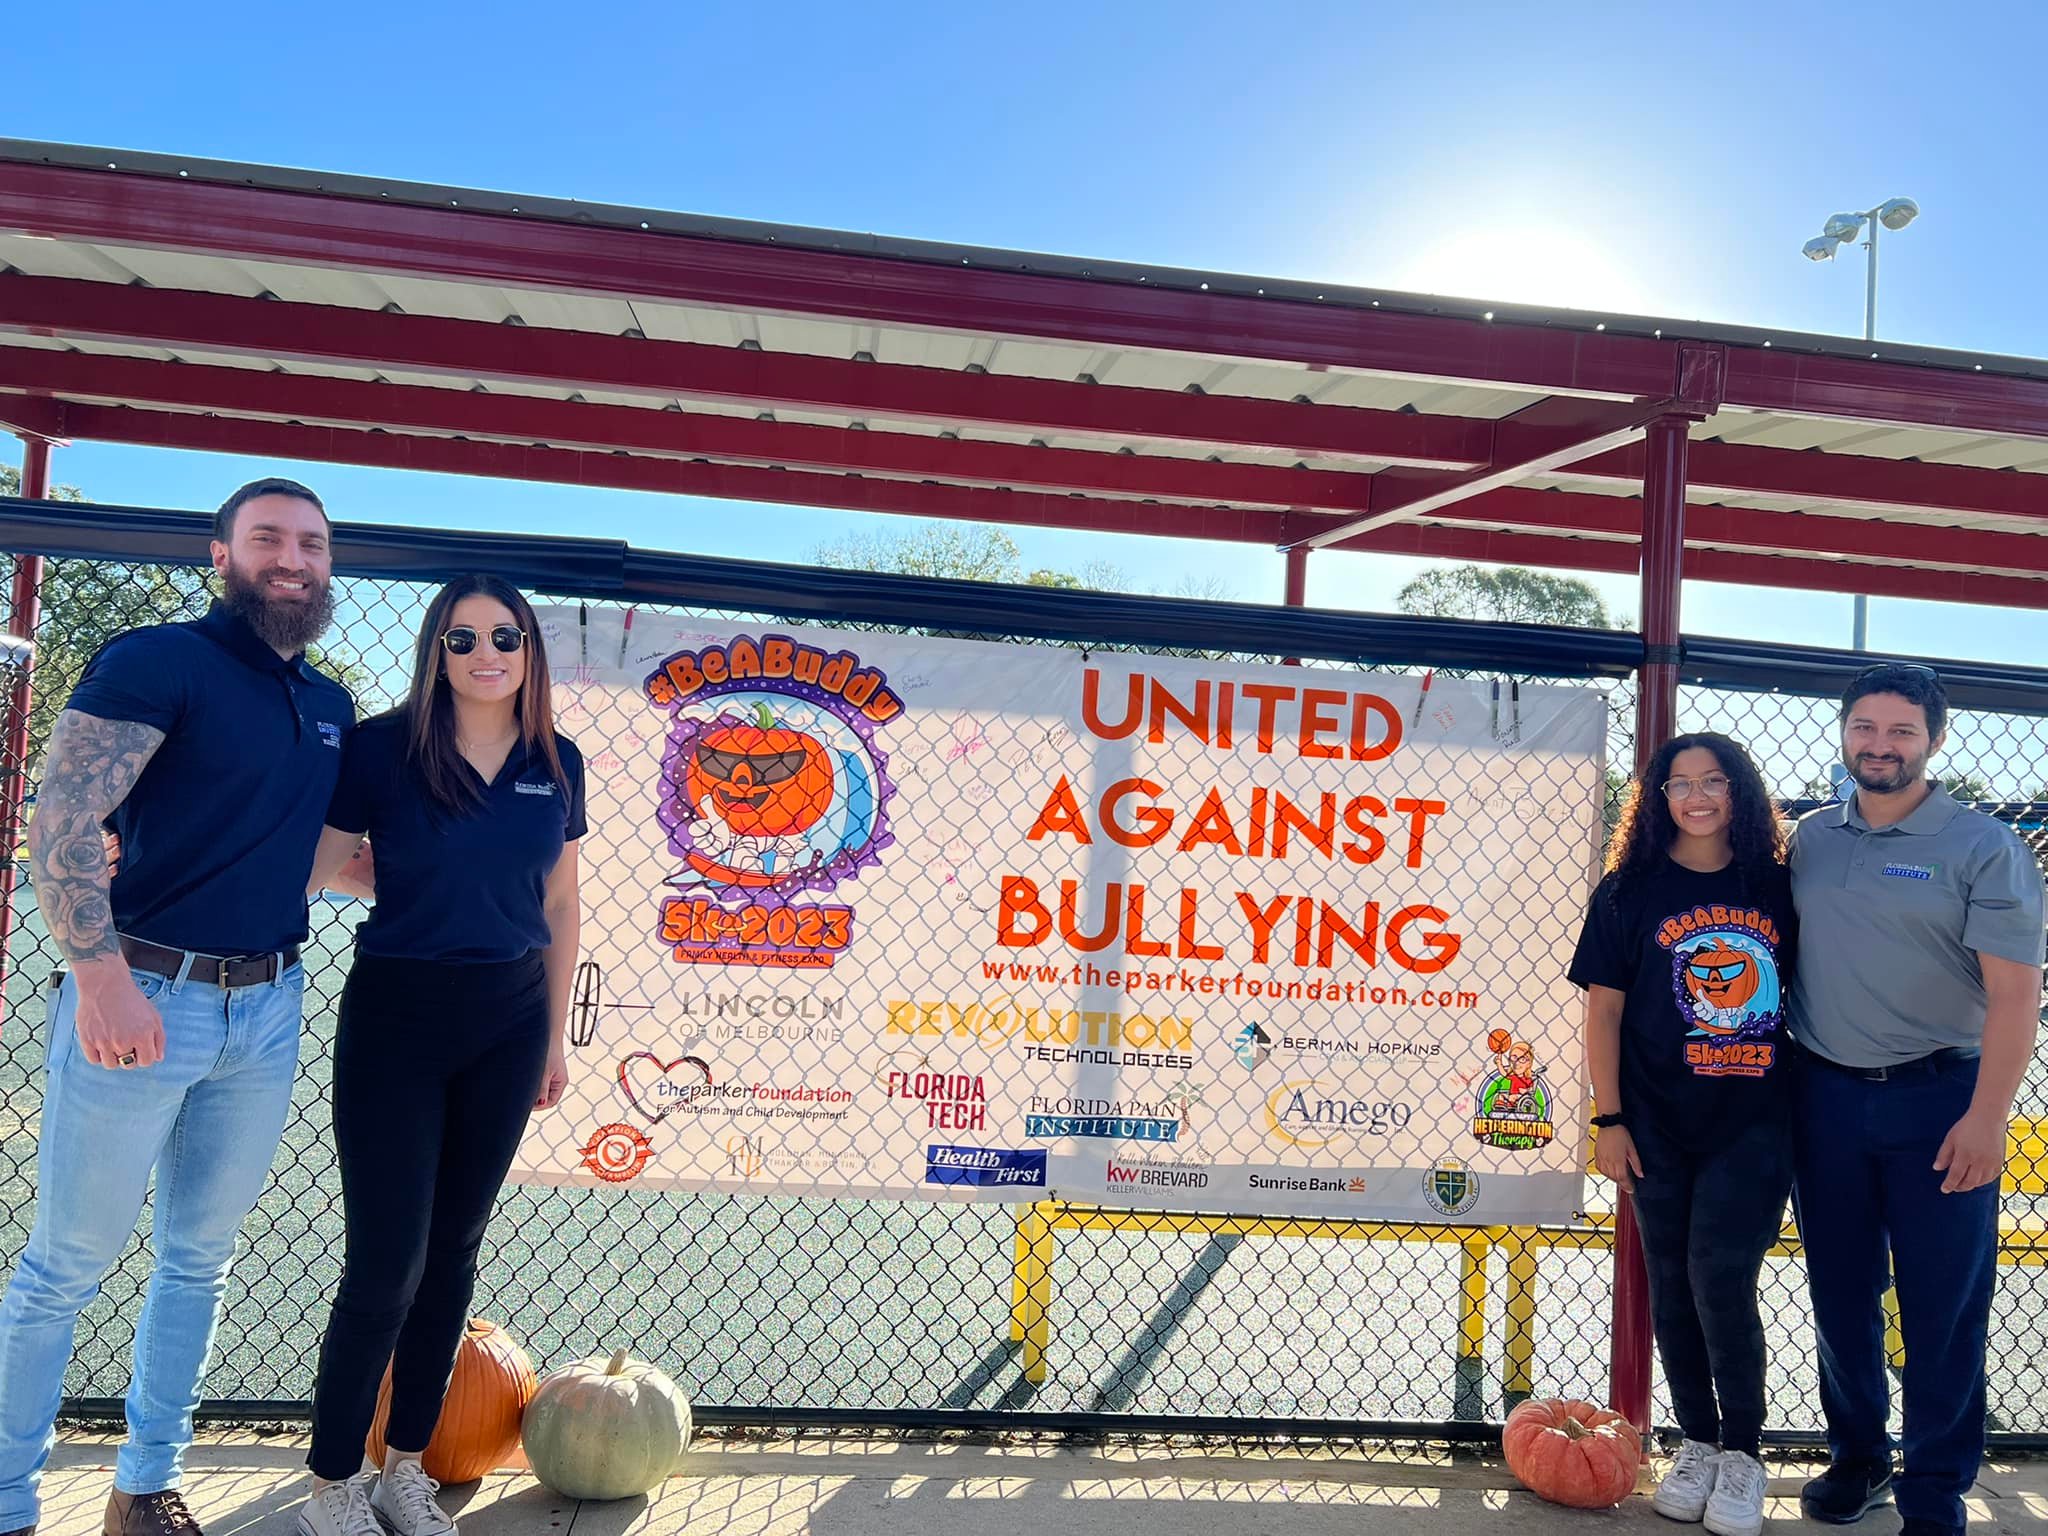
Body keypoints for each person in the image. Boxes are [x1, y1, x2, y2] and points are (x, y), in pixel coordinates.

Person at [0, 480, 358, 1536]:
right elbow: (64, 806)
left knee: (198, 1260)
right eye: (268, 539)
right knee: (64, 1266)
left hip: (268, 1006)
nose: (291, 557)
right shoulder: (160, 660)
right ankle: (10, 1505)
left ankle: (145, 1486)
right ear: (222, 556)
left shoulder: (329, 706)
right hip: (142, 994)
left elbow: (326, 862)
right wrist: (101, 978)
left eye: (311, 543)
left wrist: (486, 871)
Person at [295, 576, 582, 1536]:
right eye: (462, 640)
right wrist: (374, 876)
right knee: (386, 1263)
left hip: (504, 1027)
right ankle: (334, 1482)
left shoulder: (558, 759)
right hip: (398, 1021)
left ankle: (405, 1471)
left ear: (531, 648)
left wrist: (548, 1032)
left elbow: (558, 907)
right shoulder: (381, 747)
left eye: (506, 636)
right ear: (437, 652)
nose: (486, 654)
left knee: (454, 1254)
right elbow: (317, 860)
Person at [1787, 663, 2044, 1536]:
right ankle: (1858, 1459)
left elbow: (2016, 996)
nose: (1881, 746)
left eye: (1901, 731)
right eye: (1865, 727)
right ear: (1845, 733)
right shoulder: (1813, 837)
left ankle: (1935, 1490)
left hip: (1941, 1100)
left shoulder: (1982, 845)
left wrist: (1986, 1116)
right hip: (1822, 1098)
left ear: (1934, 740)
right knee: (1840, 1294)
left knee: (1942, 1305)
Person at [1570, 733, 1797, 1536]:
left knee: (1719, 1278)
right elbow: (1603, 1009)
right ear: (1657, 797)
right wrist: (1609, 1118)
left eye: (1713, 780)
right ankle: (1695, 1441)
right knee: (1670, 1281)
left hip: (1754, 1122)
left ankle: (1743, 1453)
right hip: (1655, 1123)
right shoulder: (1628, 890)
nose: (1697, 796)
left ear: (1739, 789)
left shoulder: (1777, 885)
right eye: (1679, 783)